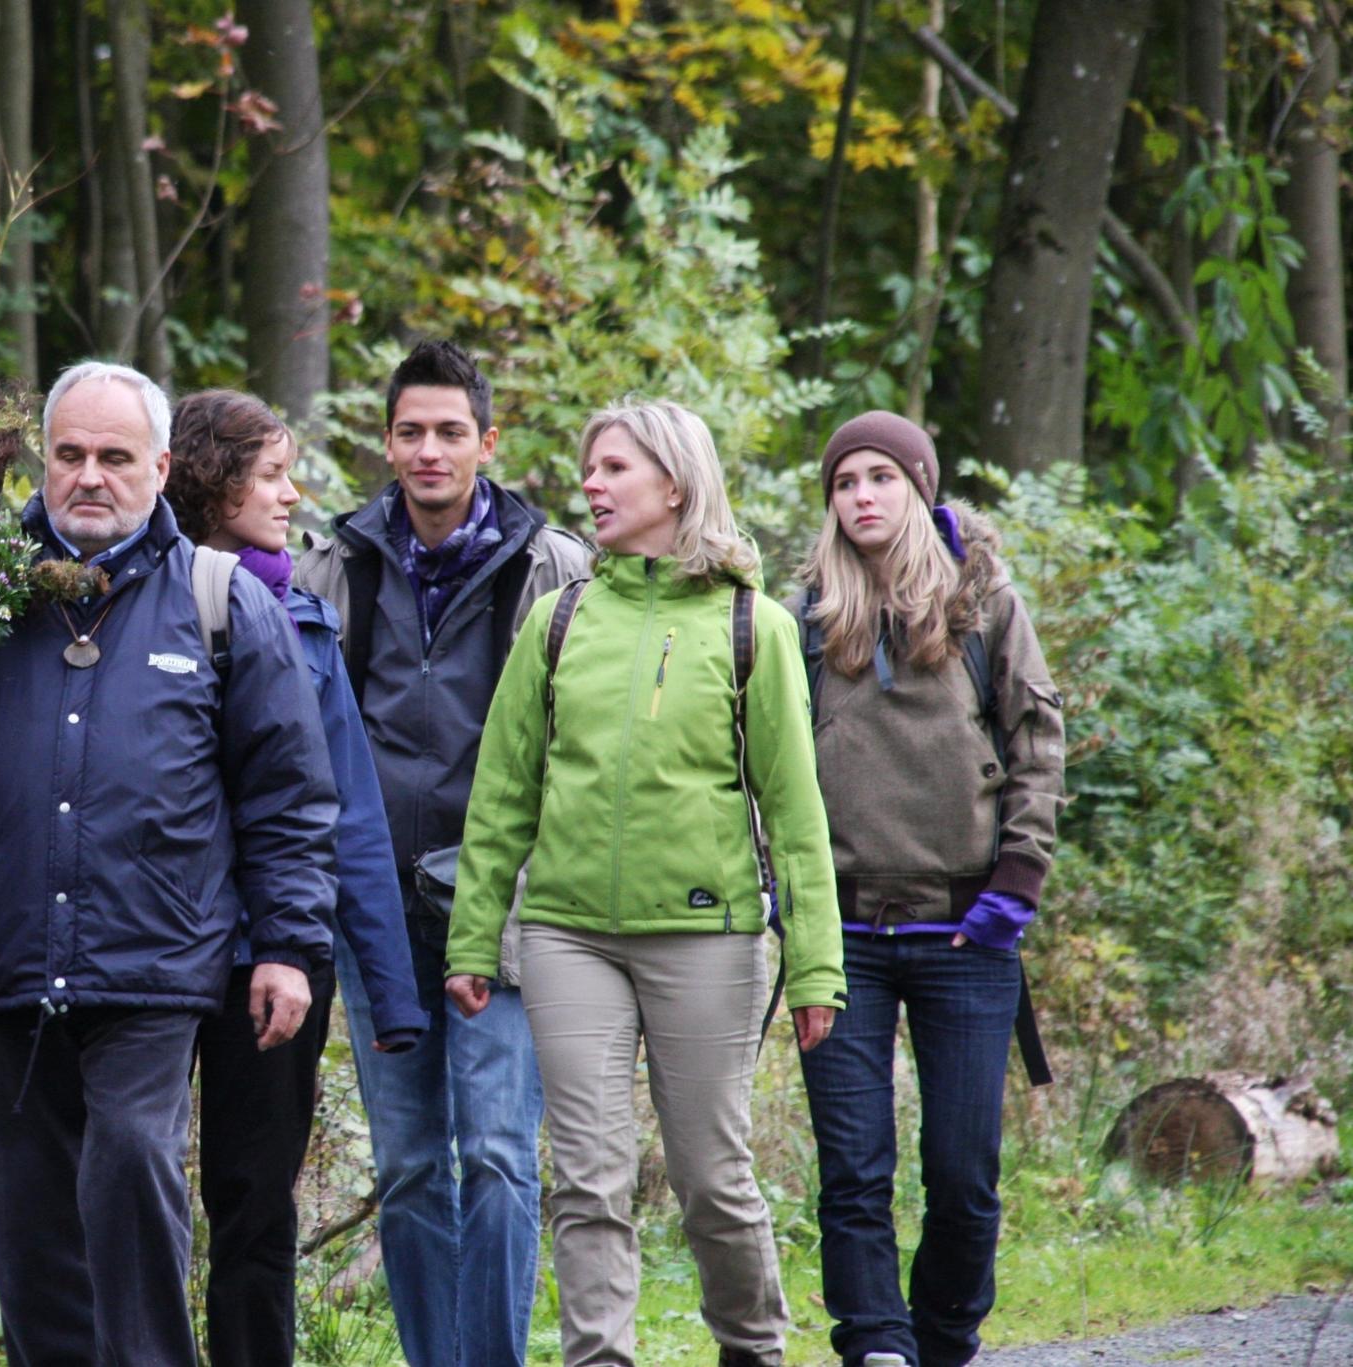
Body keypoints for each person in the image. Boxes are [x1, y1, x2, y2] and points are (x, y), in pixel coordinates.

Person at [0, 361, 340, 1367]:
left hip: (155, 959)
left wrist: (287, 943)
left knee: (129, 1162)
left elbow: (288, 794)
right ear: (46, 458)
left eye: (116, 457)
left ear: (159, 467)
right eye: (70, 453)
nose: (90, 476)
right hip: (5, 953)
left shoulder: (220, 600)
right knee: (32, 1226)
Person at [444, 398, 848, 1367]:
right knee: (588, 1179)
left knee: (714, 1180)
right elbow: (504, 791)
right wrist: (472, 936)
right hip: (566, 934)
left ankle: (753, 1346)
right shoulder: (560, 616)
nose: (591, 484)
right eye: (590, 468)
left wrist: (816, 968)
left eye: (613, 468)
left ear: (675, 483)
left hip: (709, 938)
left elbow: (795, 812)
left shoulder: (754, 625)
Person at [293, 339, 591, 1367]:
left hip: (504, 907)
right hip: (376, 914)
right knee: (415, 1163)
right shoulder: (337, 564)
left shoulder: (554, 565)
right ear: (387, 441)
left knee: (503, 1157)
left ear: (487, 441)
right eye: (411, 431)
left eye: (450, 432)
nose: (429, 451)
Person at [788, 411, 1066, 1367]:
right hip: (845, 936)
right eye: (844, 482)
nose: (861, 495)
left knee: (962, 1172)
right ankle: (874, 1343)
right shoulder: (806, 619)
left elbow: (1037, 746)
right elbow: (770, 776)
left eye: (880, 478)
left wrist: (1015, 886)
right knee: (854, 1168)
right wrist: (791, 905)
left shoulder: (986, 607)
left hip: (967, 935)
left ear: (918, 488)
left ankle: (944, 1339)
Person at [162, 389, 426, 1367]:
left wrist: (388, 998)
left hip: (274, 962)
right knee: (123, 1187)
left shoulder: (308, 624)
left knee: (255, 1204)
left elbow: (349, 815)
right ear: (210, 481)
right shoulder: (139, 602)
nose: (290, 494)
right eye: (271, 475)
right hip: (146, 946)